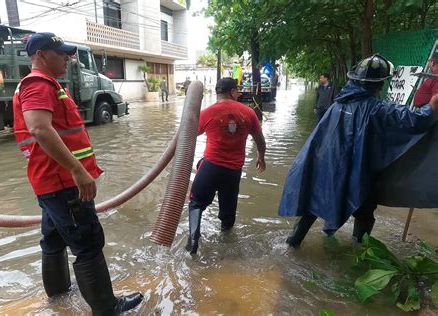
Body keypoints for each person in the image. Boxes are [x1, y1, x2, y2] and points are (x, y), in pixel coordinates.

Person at [12, 32, 143, 314]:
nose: (68, 59)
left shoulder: (43, 85)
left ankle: (58, 294)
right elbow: (39, 128)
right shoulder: (39, 84)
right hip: (63, 181)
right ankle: (107, 308)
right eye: (62, 54)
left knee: (54, 237)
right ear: (41, 56)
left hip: (49, 181)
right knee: (88, 241)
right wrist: (77, 170)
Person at [278, 54, 438, 248]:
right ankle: (357, 253)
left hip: (325, 167)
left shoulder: (338, 104)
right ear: (380, 84)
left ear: (354, 79)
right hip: (357, 173)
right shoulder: (379, 109)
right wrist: (433, 105)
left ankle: (291, 245)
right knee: (364, 213)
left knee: (311, 206)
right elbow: (416, 120)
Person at [185, 78, 267, 255]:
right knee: (228, 214)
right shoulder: (248, 113)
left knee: (196, 203)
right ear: (232, 91)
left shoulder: (208, 113)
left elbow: (188, 136)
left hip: (210, 167)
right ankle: (227, 248)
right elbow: (260, 139)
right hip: (233, 172)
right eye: (237, 91)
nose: (238, 94)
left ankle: (193, 241)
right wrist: (261, 156)